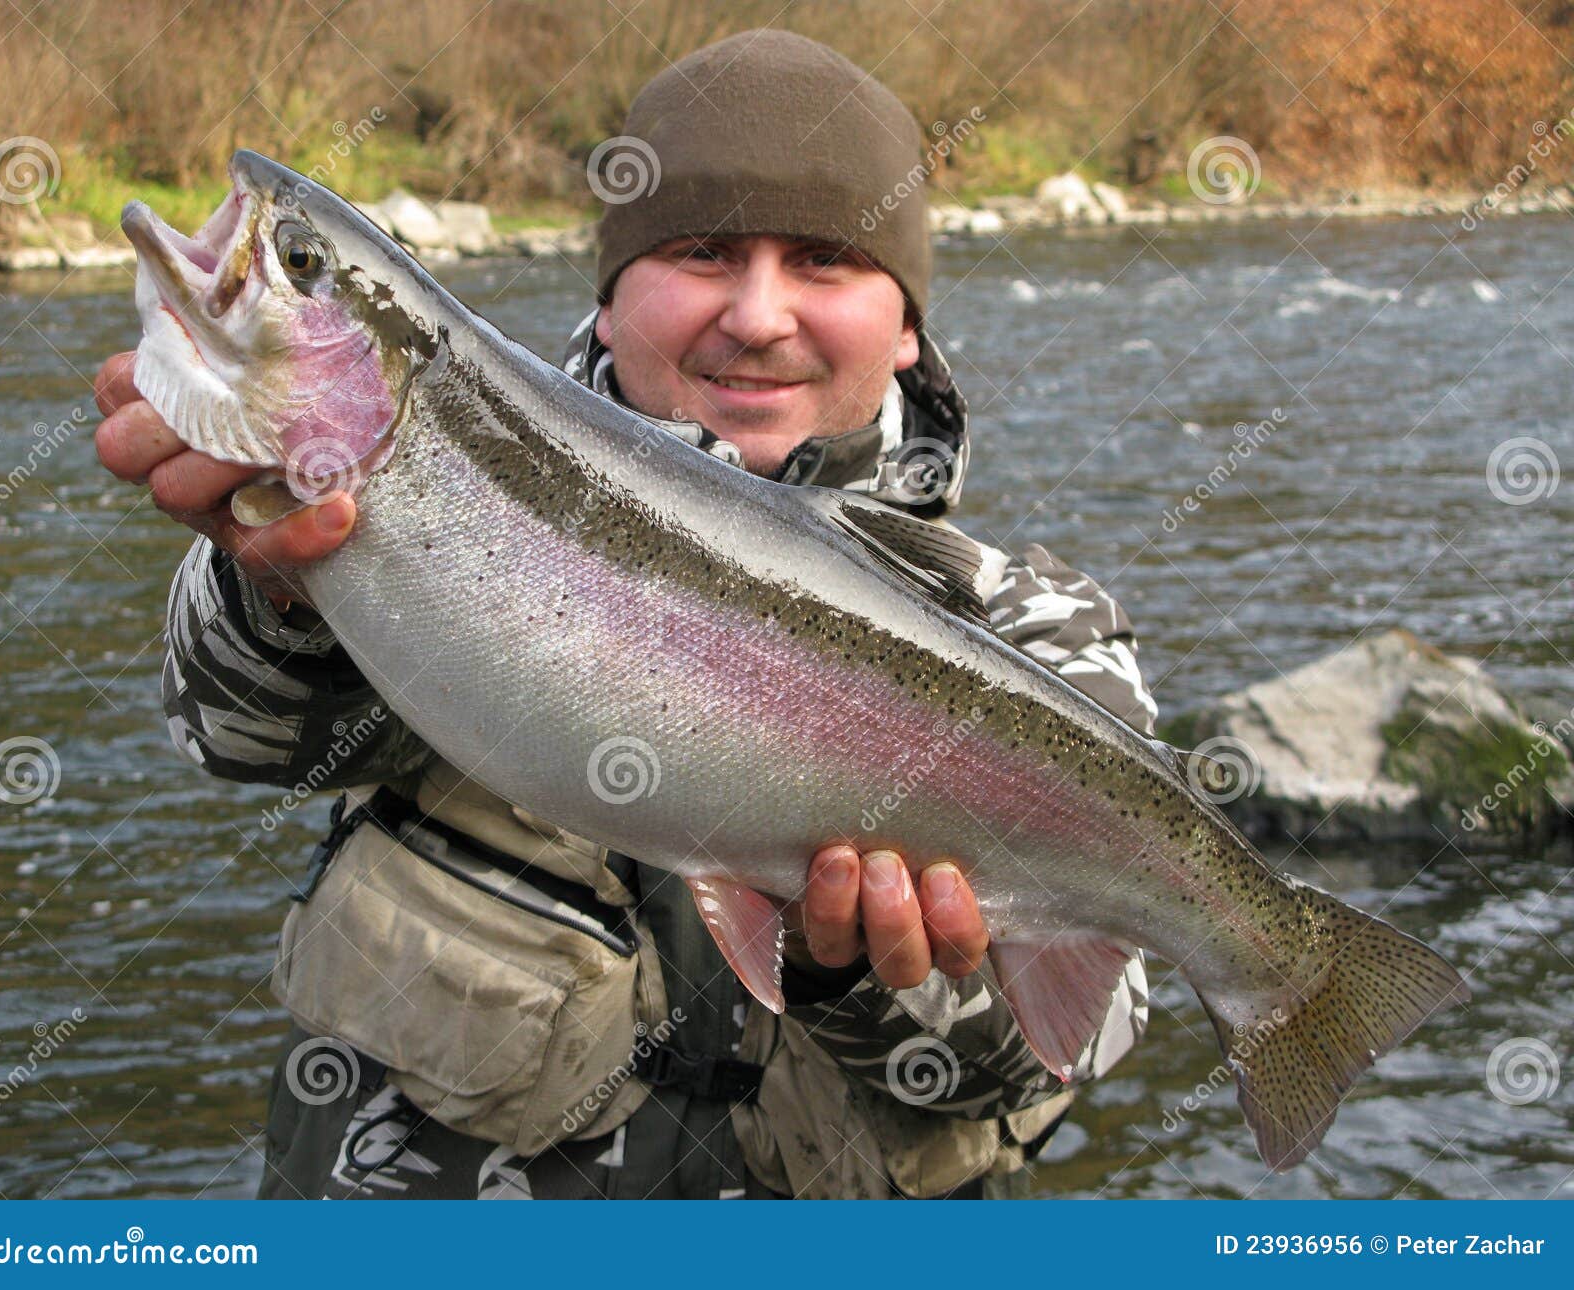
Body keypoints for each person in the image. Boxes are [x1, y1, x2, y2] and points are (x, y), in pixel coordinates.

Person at [92, 29, 1158, 1199]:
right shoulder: (413, 489)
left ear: (908, 323)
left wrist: (839, 971)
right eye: (702, 252)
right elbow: (236, 736)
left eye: (822, 260)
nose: (757, 315)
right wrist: (278, 584)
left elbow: (1061, 1053)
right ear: (607, 302)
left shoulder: (1034, 628)